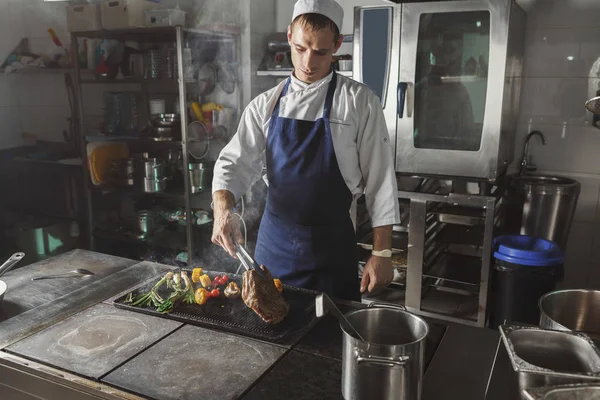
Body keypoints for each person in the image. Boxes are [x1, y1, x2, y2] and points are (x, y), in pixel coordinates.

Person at [211, 0, 400, 301]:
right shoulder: (266, 106)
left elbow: (380, 182)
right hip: (274, 249)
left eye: (321, 52)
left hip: (332, 250)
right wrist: (223, 210)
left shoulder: (359, 103)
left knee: (330, 338)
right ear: (289, 36)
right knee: (268, 331)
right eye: (300, 48)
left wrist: (383, 252)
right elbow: (234, 163)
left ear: (337, 44)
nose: (308, 62)